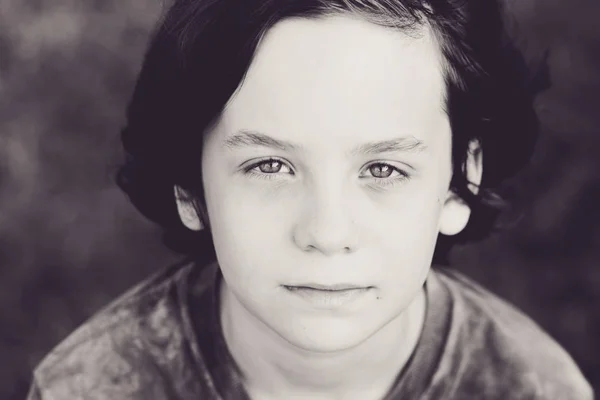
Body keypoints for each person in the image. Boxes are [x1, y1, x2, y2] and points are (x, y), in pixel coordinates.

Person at [27, 0, 593, 399]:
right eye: (270, 165)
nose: (326, 231)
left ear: (458, 178)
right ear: (190, 186)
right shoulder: (90, 387)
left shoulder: (533, 388)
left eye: (383, 168)